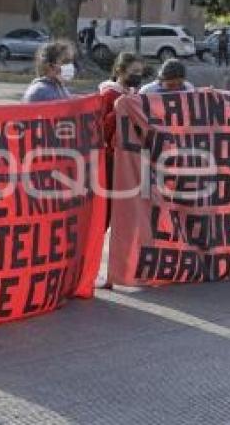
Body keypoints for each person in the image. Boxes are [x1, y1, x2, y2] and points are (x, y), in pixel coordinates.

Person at [97, 51, 144, 288]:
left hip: (129, 165)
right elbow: (100, 129)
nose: (137, 77)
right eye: (132, 72)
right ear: (119, 71)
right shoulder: (109, 94)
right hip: (110, 163)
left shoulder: (135, 96)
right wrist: (119, 110)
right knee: (104, 218)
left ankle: (118, 270)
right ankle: (95, 270)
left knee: (123, 220)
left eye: (140, 72)